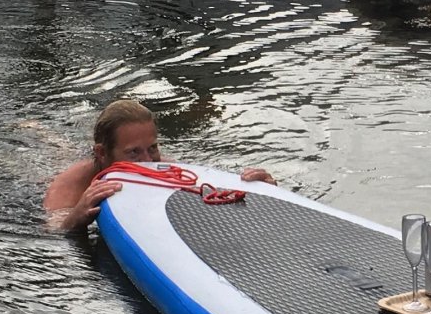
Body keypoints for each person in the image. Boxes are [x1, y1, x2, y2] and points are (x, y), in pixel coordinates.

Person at [44, 99, 276, 232]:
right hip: (45, 166)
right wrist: (76, 216)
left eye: (152, 148)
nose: (148, 161)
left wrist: (261, 189)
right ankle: (38, 131)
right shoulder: (71, 183)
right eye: (134, 152)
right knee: (57, 148)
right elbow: (53, 231)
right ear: (103, 153)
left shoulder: (165, 167)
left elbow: (212, 193)